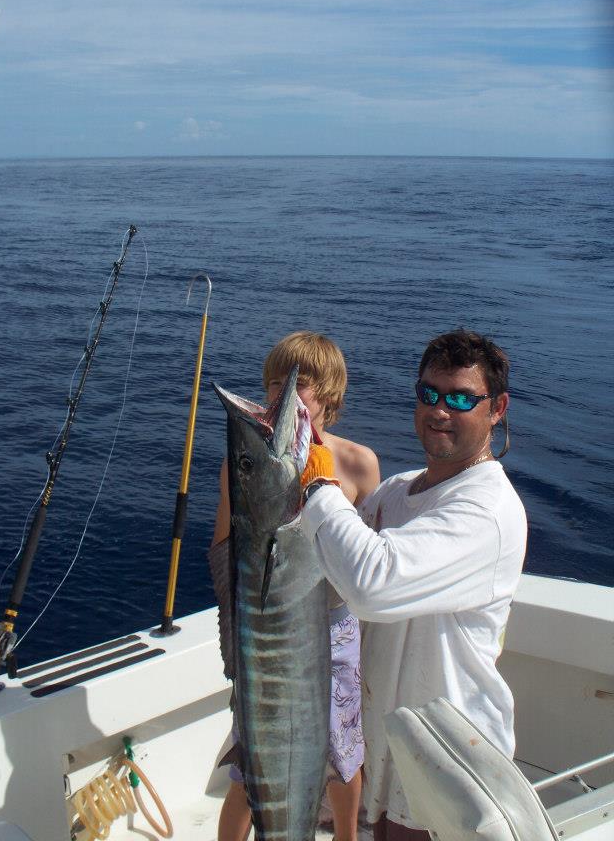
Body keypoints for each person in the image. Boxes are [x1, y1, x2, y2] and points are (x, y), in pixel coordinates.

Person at [298, 329, 527, 841]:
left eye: (461, 399)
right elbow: (331, 566)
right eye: (429, 393)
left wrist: (315, 480)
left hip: (451, 772)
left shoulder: (488, 510)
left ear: (497, 408)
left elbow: (371, 586)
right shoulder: (395, 492)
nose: (440, 410)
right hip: (387, 761)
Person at [211, 331, 380, 841]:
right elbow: (225, 550)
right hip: (267, 635)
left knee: (344, 756)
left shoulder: (358, 464)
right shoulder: (245, 465)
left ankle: (347, 836)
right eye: (272, 383)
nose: (279, 393)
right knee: (252, 764)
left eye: (297, 384)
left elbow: (370, 559)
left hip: (334, 629)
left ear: (329, 395)